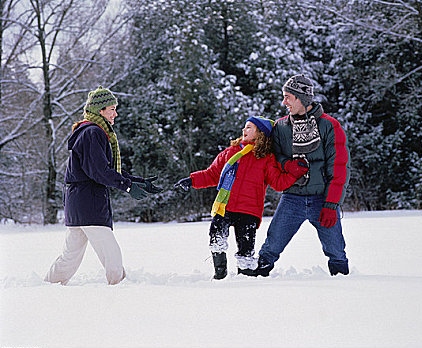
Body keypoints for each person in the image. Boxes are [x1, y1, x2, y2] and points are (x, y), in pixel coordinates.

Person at [45, 86, 161, 285]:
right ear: (100, 110)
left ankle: (48, 285)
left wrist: (136, 182)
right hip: (89, 202)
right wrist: (127, 186)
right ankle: (119, 287)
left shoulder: (89, 131)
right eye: (112, 109)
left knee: (70, 257)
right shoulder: (93, 132)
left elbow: (104, 168)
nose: (116, 113)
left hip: (78, 202)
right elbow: (98, 171)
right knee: (111, 253)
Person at [174, 116, 309, 279]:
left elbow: (278, 183)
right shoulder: (231, 152)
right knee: (216, 237)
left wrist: (294, 173)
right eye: (244, 127)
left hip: (249, 210)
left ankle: (245, 277)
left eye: (249, 127)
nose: (244, 130)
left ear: (260, 133)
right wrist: (192, 180)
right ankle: (220, 273)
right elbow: (212, 174)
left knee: (246, 249)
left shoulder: (266, 158)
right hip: (225, 206)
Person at [255, 74, 351, 277]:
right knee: (271, 246)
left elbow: (340, 168)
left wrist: (331, 204)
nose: (284, 102)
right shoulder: (280, 127)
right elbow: (275, 156)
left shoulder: (329, 126)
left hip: (322, 200)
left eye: (288, 97)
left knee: (336, 251)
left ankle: (344, 283)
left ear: (302, 98)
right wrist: (288, 165)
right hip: (292, 199)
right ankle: (254, 283)